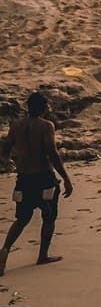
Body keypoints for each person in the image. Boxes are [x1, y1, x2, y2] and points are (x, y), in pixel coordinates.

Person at [1, 91, 73, 276]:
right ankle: (42, 256)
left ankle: (5, 249)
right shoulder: (46, 126)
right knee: (49, 217)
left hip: (24, 179)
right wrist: (66, 178)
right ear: (43, 107)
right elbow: (52, 153)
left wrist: (7, 161)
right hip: (44, 178)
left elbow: (6, 146)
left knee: (22, 219)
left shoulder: (16, 125)